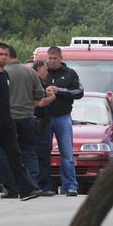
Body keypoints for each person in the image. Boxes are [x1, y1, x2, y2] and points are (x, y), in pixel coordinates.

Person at [0, 42, 41, 201]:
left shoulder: (5, 74)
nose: (3, 57)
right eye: (0, 54)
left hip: (7, 122)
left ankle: (26, 190)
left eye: (5, 54)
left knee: (15, 156)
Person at [0, 46, 45, 198]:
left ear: (7, 55)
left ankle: (11, 188)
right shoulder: (30, 71)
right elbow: (40, 93)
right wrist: (30, 104)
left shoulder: (3, 73)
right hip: (27, 117)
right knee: (28, 152)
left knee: (5, 153)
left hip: (8, 118)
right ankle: (32, 185)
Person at [43, 46, 84, 197]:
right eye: (50, 58)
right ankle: (45, 186)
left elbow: (79, 92)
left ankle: (70, 186)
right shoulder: (42, 72)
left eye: (55, 58)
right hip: (44, 118)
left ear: (61, 58)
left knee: (66, 154)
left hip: (63, 117)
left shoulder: (70, 73)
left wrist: (59, 90)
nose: (52, 61)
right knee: (43, 153)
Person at [32, 59, 57, 196]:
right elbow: (40, 103)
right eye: (45, 69)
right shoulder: (36, 82)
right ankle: (41, 185)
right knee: (41, 155)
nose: (47, 72)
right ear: (38, 69)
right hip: (39, 123)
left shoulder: (41, 83)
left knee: (42, 154)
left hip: (42, 122)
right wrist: (52, 97)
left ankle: (41, 184)